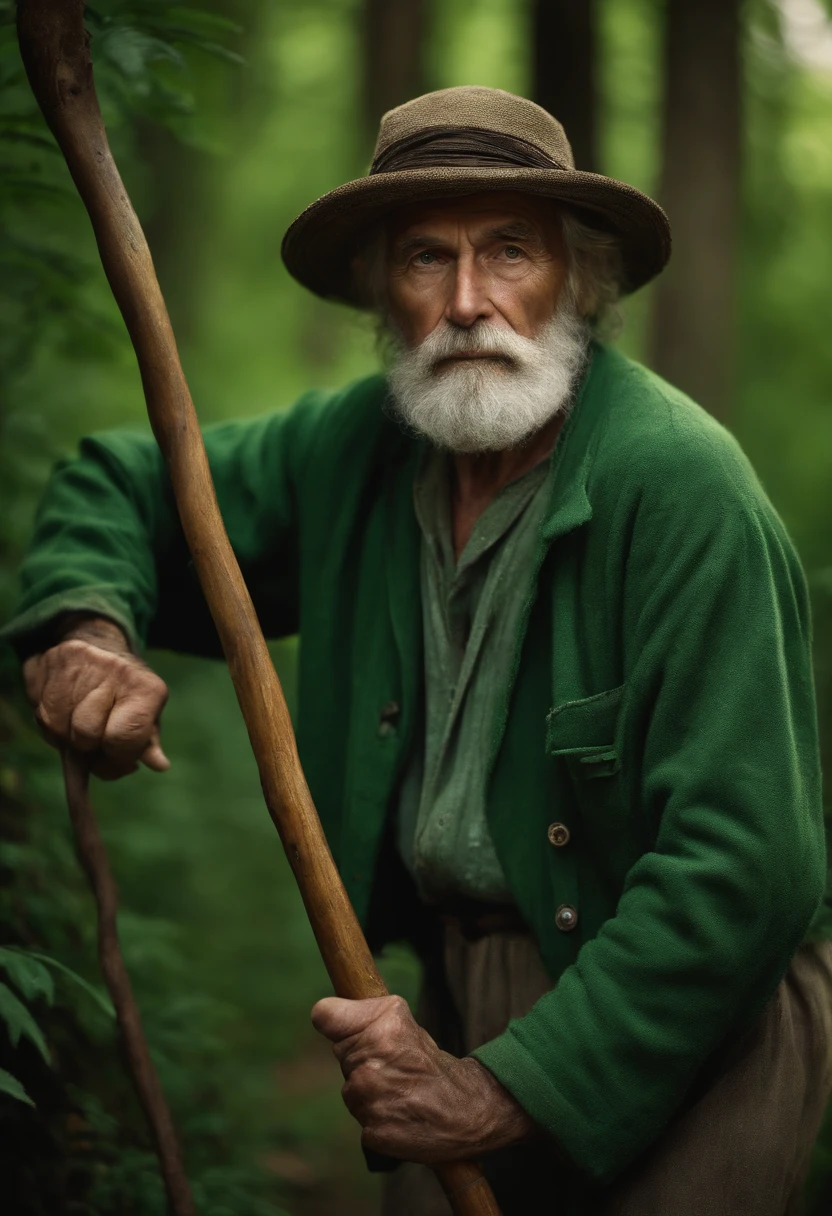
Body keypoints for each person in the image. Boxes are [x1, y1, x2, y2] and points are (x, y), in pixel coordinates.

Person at [5, 86, 832, 1215]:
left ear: (578, 279)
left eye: (509, 252)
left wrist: (504, 1088)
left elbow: (747, 870)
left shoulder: (681, 487)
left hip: (687, 1006)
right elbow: (127, 483)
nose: (466, 302)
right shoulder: (362, 448)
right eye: (423, 260)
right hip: (454, 987)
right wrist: (83, 630)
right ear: (377, 295)